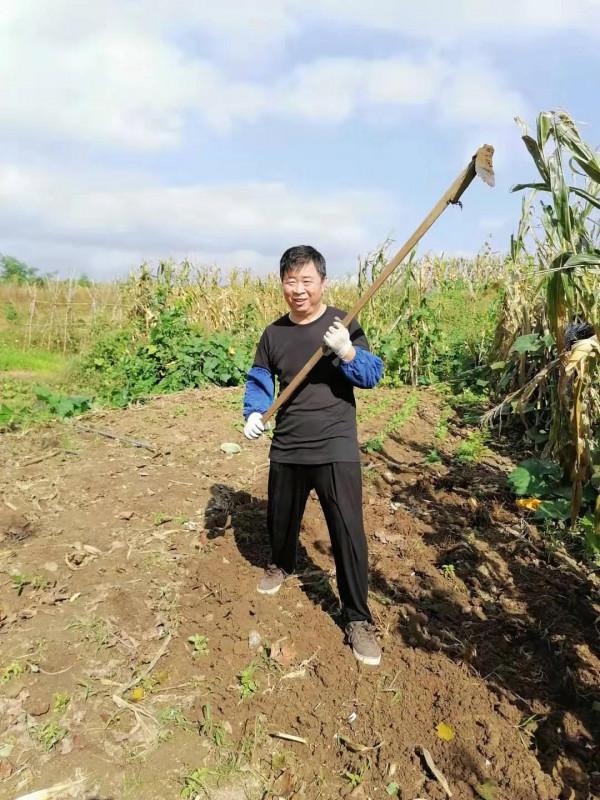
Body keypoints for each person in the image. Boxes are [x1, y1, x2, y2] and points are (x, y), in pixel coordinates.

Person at [242, 245, 384, 666]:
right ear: (282, 285)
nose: (299, 289)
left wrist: (347, 351)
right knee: (281, 518)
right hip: (288, 443)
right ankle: (281, 564)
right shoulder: (273, 334)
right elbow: (260, 379)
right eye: (291, 281)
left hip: (335, 444)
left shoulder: (342, 322)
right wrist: (254, 411)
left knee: (348, 532)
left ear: (322, 282)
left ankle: (357, 618)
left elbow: (372, 375)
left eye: (307, 281)